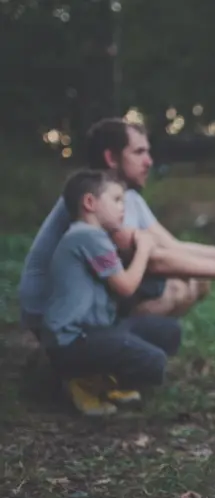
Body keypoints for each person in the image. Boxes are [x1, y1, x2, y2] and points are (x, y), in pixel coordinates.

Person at [18, 117, 215, 412]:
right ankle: (84, 369)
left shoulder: (123, 197)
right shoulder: (100, 202)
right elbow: (156, 260)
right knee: (177, 286)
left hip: (84, 306)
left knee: (193, 282)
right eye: (139, 152)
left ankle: (104, 362)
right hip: (50, 311)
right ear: (111, 158)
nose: (149, 161)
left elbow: (174, 246)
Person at [41, 169, 182, 417]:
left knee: (169, 331)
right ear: (89, 203)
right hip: (71, 342)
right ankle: (85, 382)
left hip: (94, 332)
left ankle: (104, 377)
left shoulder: (93, 237)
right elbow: (126, 286)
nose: (123, 208)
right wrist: (144, 248)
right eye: (116, 200)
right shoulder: (87, 236)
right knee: (154, 361)